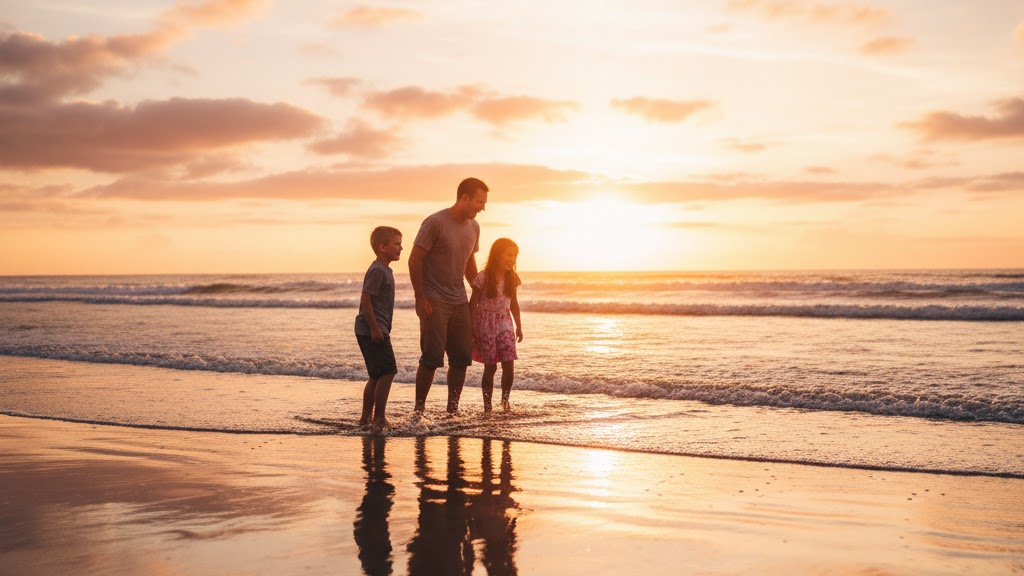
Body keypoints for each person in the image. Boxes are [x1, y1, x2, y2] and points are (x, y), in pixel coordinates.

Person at [409, 177, 489, 416]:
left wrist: (478, 287)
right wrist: (420, 297)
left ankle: (452, 411)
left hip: (459, 300)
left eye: (484, 202)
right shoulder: (435, 223)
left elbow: (468, 261)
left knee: (462, 358)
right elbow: (415, 259)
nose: (482, 207)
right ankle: (419, 410)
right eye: (479, 201)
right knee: (431, 357)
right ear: (464, 197)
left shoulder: (474, 227)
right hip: (434, 299)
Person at [354, 226, 403, 433]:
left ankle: (366, 418)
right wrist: (375, 328)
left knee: (376, 375)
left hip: (371, 329)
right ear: (382, 247)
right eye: (397, 244)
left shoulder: (384, 270)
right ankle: (379, 418)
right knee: (388, 371)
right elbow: (366, 298)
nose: (401, 248)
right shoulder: (377, 270)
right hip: (372, 329)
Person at [469, 238, 522, 413]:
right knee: (490, 366)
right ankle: (487, 406)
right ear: (497, 255)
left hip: (505, 322)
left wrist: (519, 326)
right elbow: (473, 302)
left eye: (515, 256)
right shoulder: (484, 276)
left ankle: (505, 401)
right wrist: (470, 326)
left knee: (509, 362)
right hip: (485, 323)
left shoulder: (512, 277)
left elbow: (514, 303)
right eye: (509, 254)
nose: (512, 259)